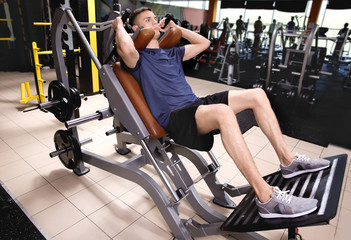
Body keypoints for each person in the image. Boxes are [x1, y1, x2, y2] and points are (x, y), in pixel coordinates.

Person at [112, 7, 330, 219]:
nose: (154, 22)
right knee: (224, 112)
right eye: (148, 20)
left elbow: (204, 43)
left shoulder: (172, 53)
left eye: (154, 18)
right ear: (136, 29)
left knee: (258, 95)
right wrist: (119, 25)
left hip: (195, 104)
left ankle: (288, 161)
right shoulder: (138, 60)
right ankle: (267, 198)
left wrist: (174, 27)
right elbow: (126, 49)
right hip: (176, 117)